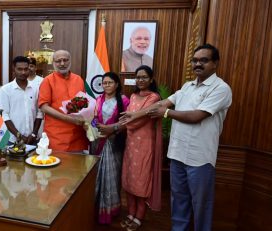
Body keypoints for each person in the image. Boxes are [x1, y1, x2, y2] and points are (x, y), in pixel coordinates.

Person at [121, 44, 232, 231]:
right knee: (179, 201)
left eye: (204, 60)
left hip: (200, 159)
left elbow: (196, 116)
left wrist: (166, 113)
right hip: (177, 155)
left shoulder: (221, 88)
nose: (198, 63)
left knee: (201, 206)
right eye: (195, 60)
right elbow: (163, 103)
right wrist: (136, 115)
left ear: (215, 63)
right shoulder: (187, 87)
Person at [120, 65, 162, 231]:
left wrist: (117, 127)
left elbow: (139, 120)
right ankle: (130, 213)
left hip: (145, 145)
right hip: (130, 144)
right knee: (129, 178)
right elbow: (128, 118)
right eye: (138, 77)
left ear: (151, 79)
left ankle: (139, 216)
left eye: (144, 77)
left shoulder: (154, 98)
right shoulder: (133, 95)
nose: (141, 80)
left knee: (141, 181)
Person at [92, 72, 130, 224]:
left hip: (114, 144)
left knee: (112, 177)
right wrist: (98, 126)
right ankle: (96, 209)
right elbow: (93, 119)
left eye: (109, 82)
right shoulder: (98, 99)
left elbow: (127, 122)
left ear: (116, 84)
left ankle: (109, 210)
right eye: (104, 83)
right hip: (98, 142)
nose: (106, 85)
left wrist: (111, 129)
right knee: (96, 177)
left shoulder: (124, 100)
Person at [38, 50, 88, 152]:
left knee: (77, 167)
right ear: (53, 63)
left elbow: (85, 104)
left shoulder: (78, 79)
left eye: (65, 60)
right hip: (56, 136)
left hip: (77, 135)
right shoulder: (47, 81)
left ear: (70, 61)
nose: (62, 64)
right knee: (57, 166)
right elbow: (44, 107)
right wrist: (69, 119)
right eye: (58, 61)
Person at [0, 56, 42, 145]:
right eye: (20, 69)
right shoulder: (5, 90)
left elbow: (40, 112)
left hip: (32, 139)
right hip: (12, 140)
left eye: (26, 69)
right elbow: (5, 115)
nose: (23, 72)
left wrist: (34, 134)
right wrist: (19, 135)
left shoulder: (36, 88)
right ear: (13, 70)